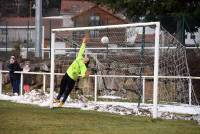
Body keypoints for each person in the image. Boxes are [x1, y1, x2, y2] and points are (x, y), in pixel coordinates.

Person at [54, 36, 90, 107]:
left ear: (86, 62)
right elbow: (81, 50)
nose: (86, 57)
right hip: (67, 74)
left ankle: (62, 102)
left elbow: (83, 75)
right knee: (62, 87)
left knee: (67, 90)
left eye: (87, 59)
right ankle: (57, 99)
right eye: (86, 57)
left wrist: (86, 75)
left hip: (72, 78)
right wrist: (84, 42)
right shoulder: (79, 57)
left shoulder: (83, 67)